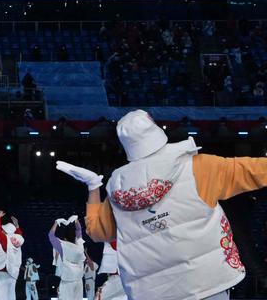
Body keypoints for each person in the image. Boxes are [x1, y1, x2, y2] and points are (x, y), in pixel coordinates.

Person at [57, 109, 267, 300]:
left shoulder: (115, 187)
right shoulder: (199, 167)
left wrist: (93, 186)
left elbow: (97, 232)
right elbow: (256, 171)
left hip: (151, 292)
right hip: (207, 284)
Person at [48, 218, 84, 300]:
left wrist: (56, 222)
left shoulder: (63, 246)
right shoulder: (79, 245)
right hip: (79, 281)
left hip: (68, 281)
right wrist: (76, 220)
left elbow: (51, 235)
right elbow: (79, 230)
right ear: (74, 237)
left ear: (65, 238)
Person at [0, 214, 23, 300]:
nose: (2, 231)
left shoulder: (5, 241)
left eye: (3, 230)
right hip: (13, 274)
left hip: (3, 273)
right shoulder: (18, 242)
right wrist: (17, 226)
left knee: (0, 297)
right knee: (11, 296)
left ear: (6, 232)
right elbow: (19, 234)